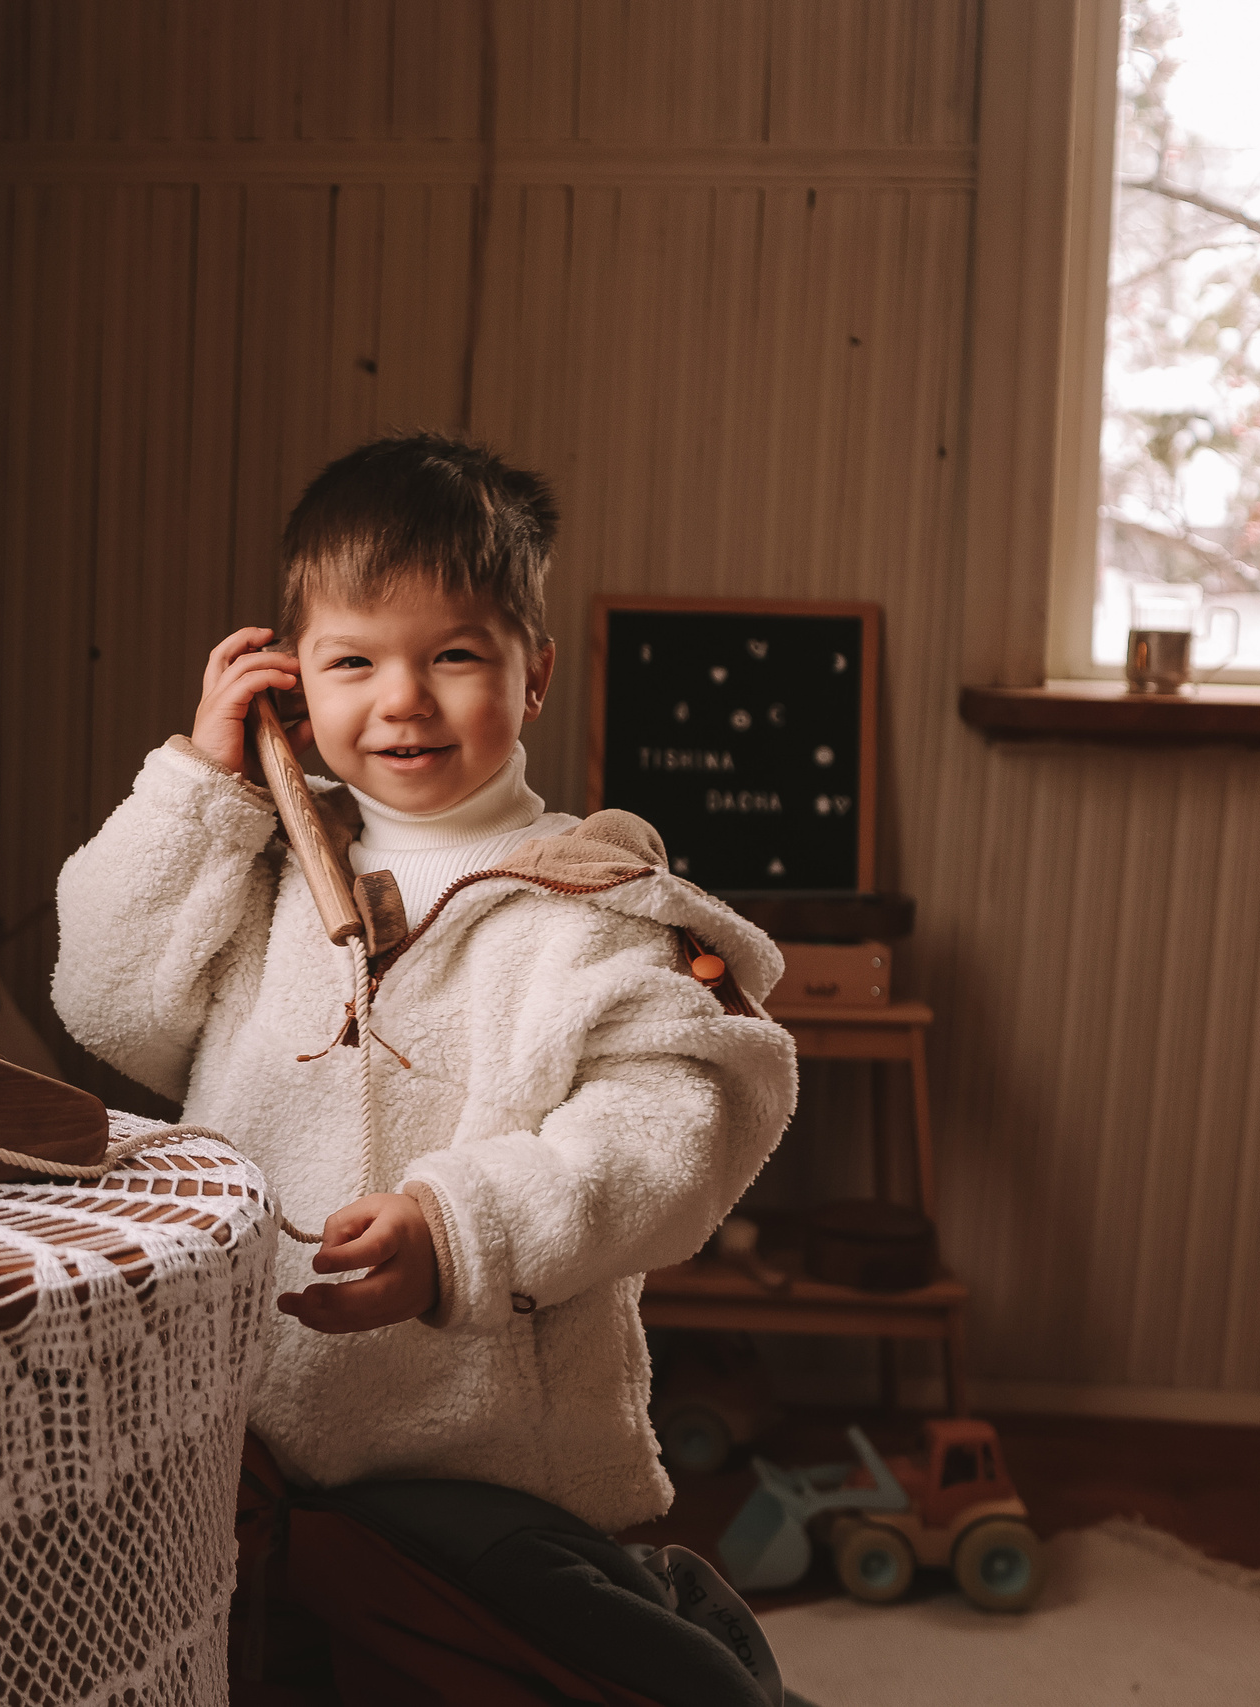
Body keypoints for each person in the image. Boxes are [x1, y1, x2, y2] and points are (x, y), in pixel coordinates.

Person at [52, 433, 801, 1705]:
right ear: (292, 684)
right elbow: (106, 1000)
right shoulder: (253, 870)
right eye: (353, 661)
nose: (401, 699)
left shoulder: (595, 907)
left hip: (483, 1474)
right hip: (248, 1447)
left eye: (453, 655)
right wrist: (197, 790)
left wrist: (466, 1232)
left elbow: (671, 1138)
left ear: (532, 673)